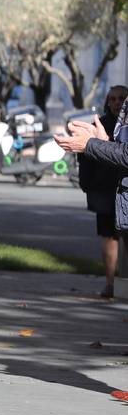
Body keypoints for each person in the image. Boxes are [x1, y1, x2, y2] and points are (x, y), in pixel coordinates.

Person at [75, 86, 128, 298]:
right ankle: (110, 283)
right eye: (113, 99)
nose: (117, 103)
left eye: (121, 99)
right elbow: (84, 158)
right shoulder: (101, 124)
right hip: (105, 189)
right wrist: (87, 184)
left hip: (124, 189)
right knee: (108, 236)